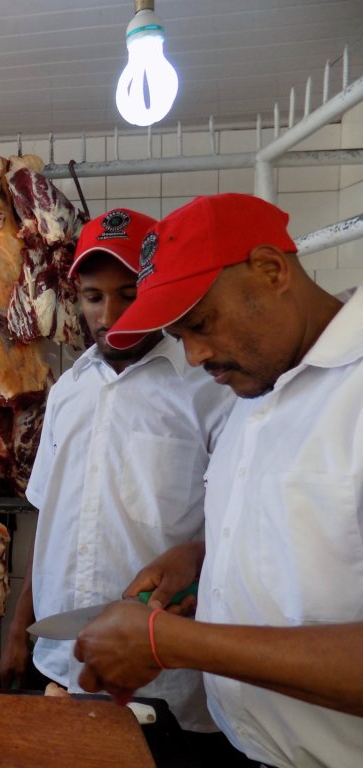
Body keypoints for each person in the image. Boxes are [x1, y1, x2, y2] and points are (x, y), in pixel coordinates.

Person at [74, 192, 363, 767]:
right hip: (243, 748)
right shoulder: (253, 385)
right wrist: (200, 558)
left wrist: (168, 643)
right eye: (180, 337)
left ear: (271, 269)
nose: (197, 355)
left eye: (202, 323)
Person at [0, 208, 235, 754]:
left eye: (129, 293)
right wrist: (19, 628)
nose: (110, 314)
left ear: (158, 287)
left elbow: (238, 532)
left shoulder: (210, 390)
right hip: (63, 661)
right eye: (93, 297)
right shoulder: (68, 391)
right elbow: (50, 519)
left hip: (166, 678)